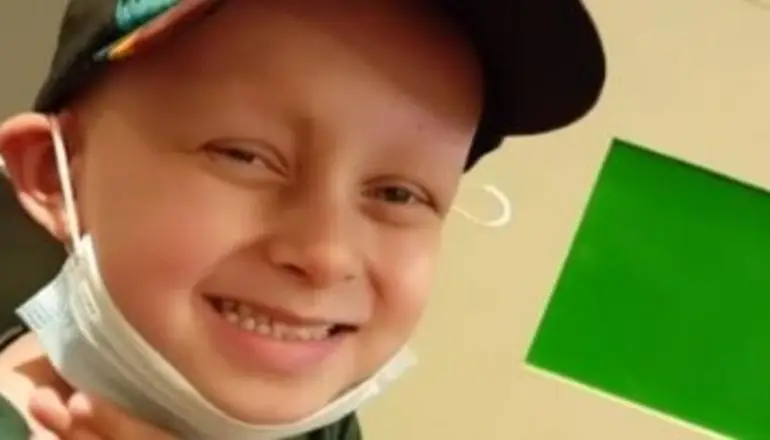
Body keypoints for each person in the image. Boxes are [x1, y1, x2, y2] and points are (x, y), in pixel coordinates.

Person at [0, 0, 606, 438]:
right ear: (54, 174)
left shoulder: (314, 416)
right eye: (244, 155)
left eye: (398, 193)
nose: (326, 256)